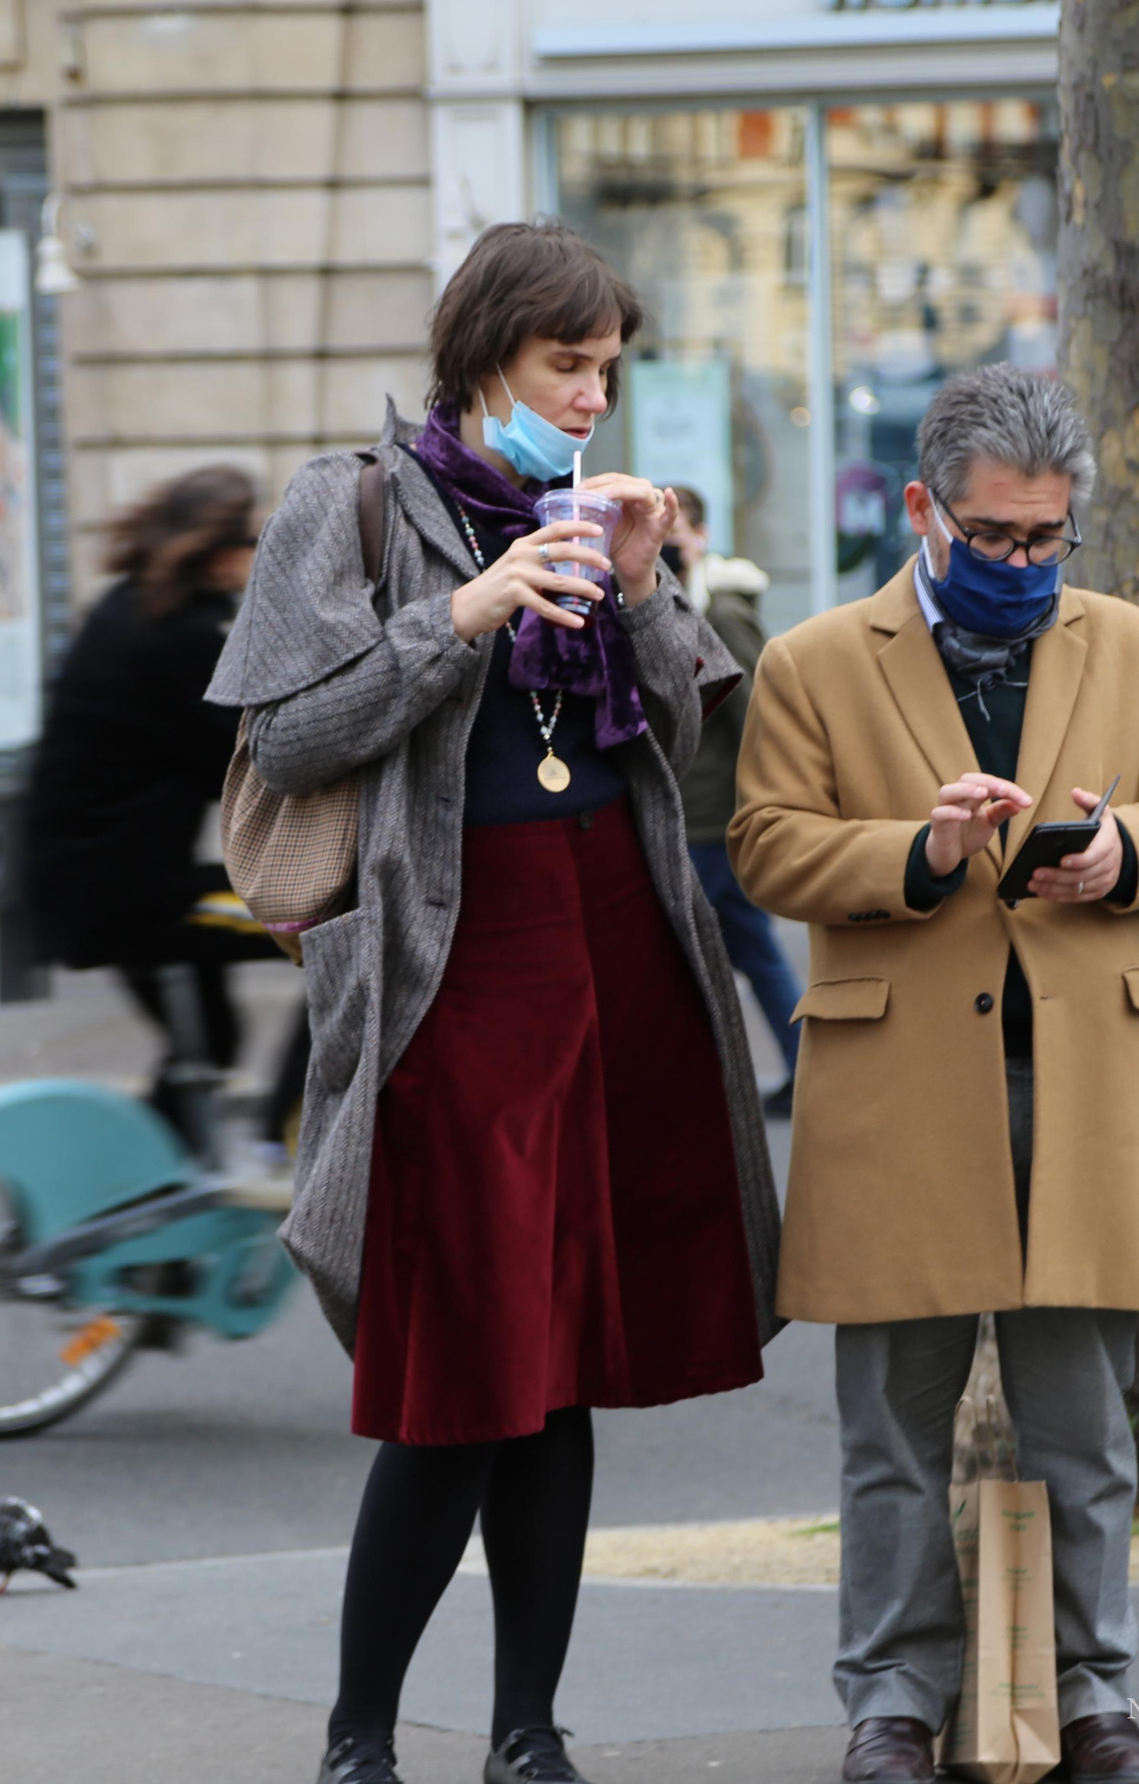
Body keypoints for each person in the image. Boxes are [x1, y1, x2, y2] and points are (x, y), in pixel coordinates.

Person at [208, 219, 780, 1784]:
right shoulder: (357, 503)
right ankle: (360, 1737)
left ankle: (529, 1731)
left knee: (562, 1364)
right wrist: (464, 614)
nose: (592, 397)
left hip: (618, 940)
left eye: (608, 369)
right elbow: (295, 730)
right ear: (482, 357)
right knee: (465, 1364)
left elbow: (675, 739)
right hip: (453, 968)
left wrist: (652, 590)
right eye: (564, 364)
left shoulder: (596, 512)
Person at [730, 366, 1139, 1784]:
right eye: (996, 536)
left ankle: (1093, 1698)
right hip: (896, 1094)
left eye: (1047, 537)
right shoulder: (816, 660)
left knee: (1085, 1426)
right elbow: (767, 843)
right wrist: (921, 850)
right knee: (891, 1429)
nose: (1024, 562)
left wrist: (1122, 851)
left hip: (1084, 1085)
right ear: (921, 509)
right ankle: (892, 1700)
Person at [22, 465, 306, 1152]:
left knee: (208, 1038)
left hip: (93, 887)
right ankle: (283, 1145)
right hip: (136, 898)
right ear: (217, 551)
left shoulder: (135, 607)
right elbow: (253, 762)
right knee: (333, 928)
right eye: (254, 538)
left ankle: (147, 1216)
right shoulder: (174, 638)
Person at [666, 486, 802, 1116]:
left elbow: (753, 710)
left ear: (701, 534)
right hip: (701, 813)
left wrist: (758, 803)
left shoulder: (718, 613)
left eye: (679, 529)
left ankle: (702, 1089)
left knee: (685, 954)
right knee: (749, 948)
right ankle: (802, 1064)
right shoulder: (685, 604)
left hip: (711, 818)